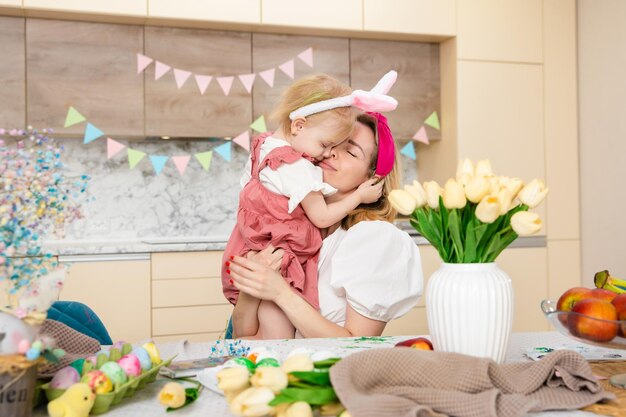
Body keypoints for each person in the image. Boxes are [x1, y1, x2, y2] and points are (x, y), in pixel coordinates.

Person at [221, 72, 399, 339]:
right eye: (331, 143)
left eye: (350, 151)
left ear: (372, 178)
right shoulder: (288, 222)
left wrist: (279, 291)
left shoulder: (373, 239)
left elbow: (359, 344)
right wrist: (251, 290)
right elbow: (240, 336)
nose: (330, 153)